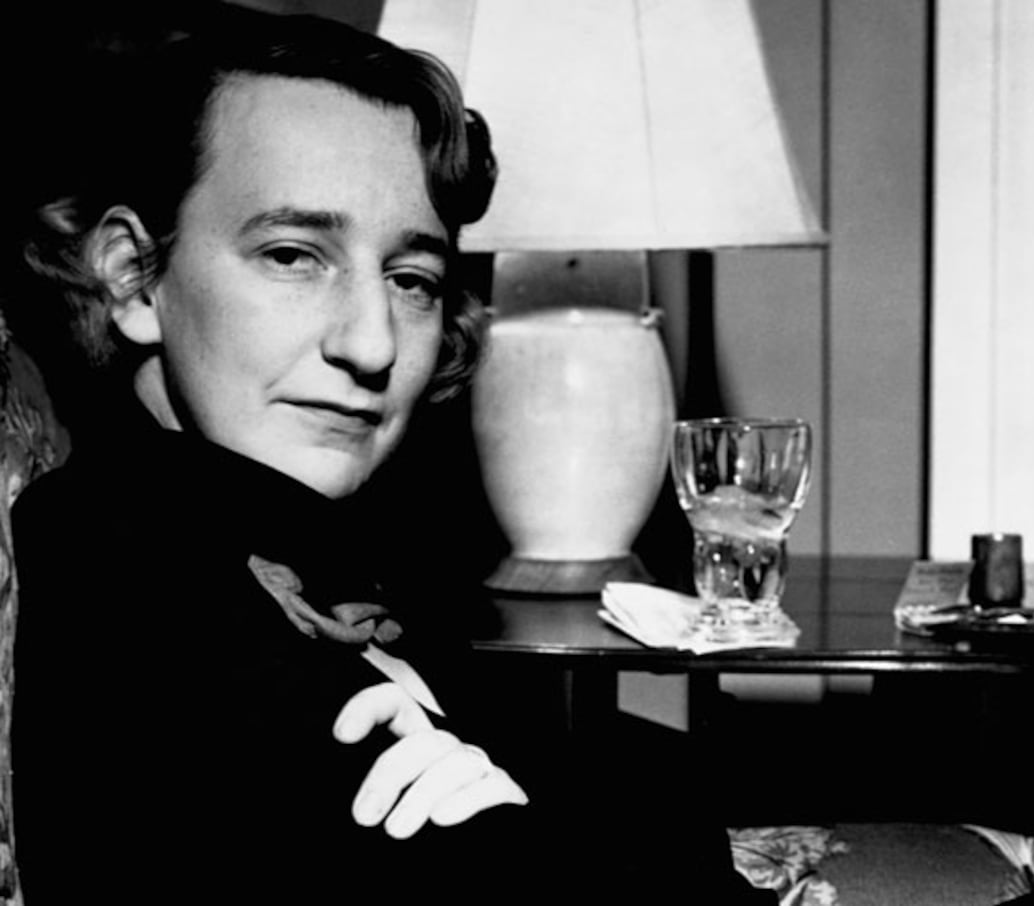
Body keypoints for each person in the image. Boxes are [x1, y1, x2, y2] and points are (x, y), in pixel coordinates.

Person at [8, 6, 771, 904]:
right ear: (135, 278)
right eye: (293, 256)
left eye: (412, 280)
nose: (371, 346)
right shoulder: (114, 563)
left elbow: (642, 800)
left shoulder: (324, 548)